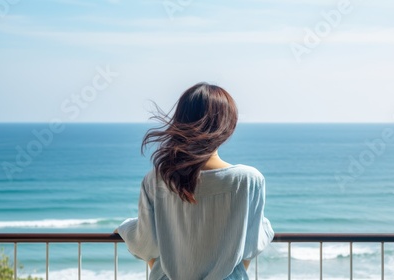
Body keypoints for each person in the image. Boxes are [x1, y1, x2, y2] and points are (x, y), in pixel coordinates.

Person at [114, 82, 274, 279]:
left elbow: (146, 244)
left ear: (180, 120)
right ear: (227, 125)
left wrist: (124, 228)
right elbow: (251, 245)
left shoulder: (157, 178)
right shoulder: (248, 179)